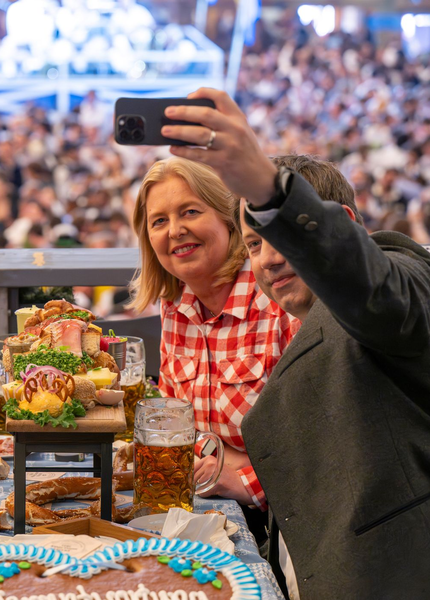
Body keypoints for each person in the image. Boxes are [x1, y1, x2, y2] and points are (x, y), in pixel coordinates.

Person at [163, 88, 430, 598]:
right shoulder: (302, 325)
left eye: (283, 235)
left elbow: (370, 286)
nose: (267, 260)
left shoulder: (396, 281)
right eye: (255, 244)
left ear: (343, 229)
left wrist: (267, 188)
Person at [127, 156, 298, 516]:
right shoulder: (175, 304)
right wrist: (224, 455)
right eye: (160, 221)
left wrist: (249, 479)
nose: (174, 230)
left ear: (228, 218)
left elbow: (320, 446)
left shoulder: (279, 297)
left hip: (286, 519)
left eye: (189, 212)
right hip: (214, 504)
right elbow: (173, 425)